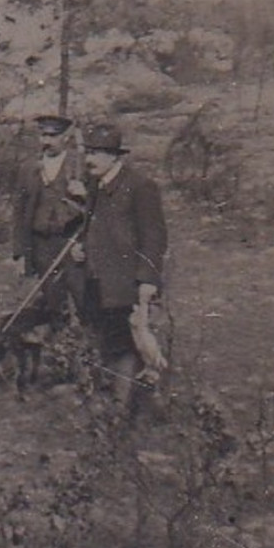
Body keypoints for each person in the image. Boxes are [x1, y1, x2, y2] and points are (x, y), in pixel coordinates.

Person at [75, 122, 169, 415]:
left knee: (126, 344)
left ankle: (123, 407)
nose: (90, 159)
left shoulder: (140, 186)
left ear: (116, 156)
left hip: (125, 283)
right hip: (96, 280)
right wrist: (81, 243)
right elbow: (90, 224)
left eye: (99, 153)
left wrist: (148, 280)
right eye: (88, 151)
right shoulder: (95, 184)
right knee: (102, 339)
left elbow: (154, 237)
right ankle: (111, 399)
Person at [10, 113, 88, 330]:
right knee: (53, 301)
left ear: (65, 137)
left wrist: (84, 194)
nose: (46, 141)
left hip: (71, 242)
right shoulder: (29, 168)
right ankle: (58, 352)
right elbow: (19, 211)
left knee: (83, 298)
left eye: (52, 135)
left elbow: (100, 203)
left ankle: (88, 353)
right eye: (43, 135)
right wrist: (19, 253)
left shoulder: (80, 164)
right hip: (41, 244)